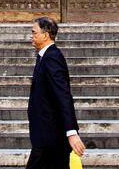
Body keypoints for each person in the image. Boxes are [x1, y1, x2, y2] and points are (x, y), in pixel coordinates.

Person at [27, 16, 85, 169]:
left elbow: (63, 95)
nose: (31, 36)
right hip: (47, 136)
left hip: (50, 137)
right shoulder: (44, 57)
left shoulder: (51, 58)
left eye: (34, 32)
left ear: (45, 35)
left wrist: (71, 132)